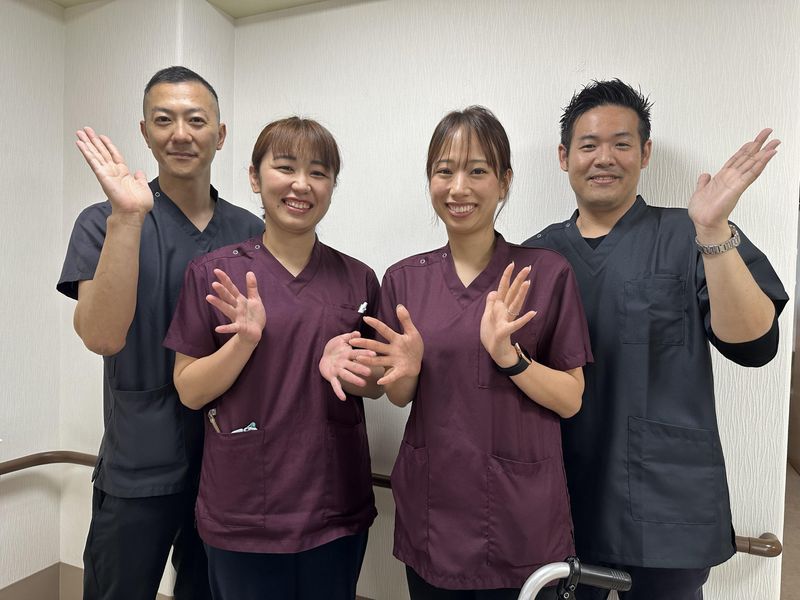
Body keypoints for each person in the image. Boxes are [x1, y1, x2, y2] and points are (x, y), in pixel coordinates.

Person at [524, 79, 788, 599]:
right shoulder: (536, 257)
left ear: (644, 154)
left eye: (621, 144)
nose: (604, 158)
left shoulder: (692, 236)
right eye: (588, 145)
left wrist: (713, 231)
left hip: (667, 503)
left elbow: (755, 345)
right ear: (564, 157)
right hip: (562, 496)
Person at [351, 106, 593, 599]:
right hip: (434, 512)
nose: (458, 188)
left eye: (477, 171)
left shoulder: (545, 273)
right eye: (445, 171)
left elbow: (571, 399)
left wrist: (511, 358)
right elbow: (397, 396)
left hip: (521, 518)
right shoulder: (403, 279)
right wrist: (406, 371)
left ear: (504, 182)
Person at [57, 66, 264, 600]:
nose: (180, 133)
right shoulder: (102, 221)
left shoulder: (250, 232)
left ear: (220, 135)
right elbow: (101, 337)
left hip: (227, 463)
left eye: (196, 120)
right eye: (164, 120)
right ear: (145, 133)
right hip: (138, 463)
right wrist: (128, 218)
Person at [162, 116, 381, 600]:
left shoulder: (358, 279)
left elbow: (376, 383)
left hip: (333, 505)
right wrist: (243, 343)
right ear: (255, 178)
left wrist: (353, 370)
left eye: (318, 172)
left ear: (332, 186)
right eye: (285, 167)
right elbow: (189, 390)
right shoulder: (214, 274)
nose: (302, 184)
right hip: (244, 508)